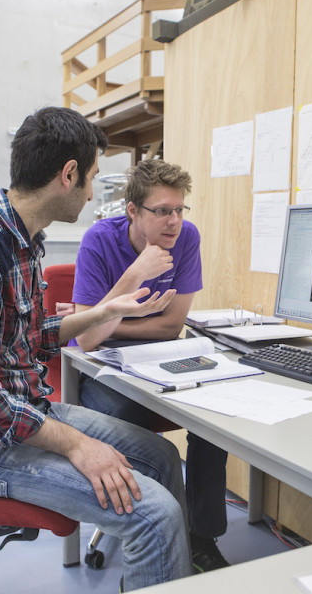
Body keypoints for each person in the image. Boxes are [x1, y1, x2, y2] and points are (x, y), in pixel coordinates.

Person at [0, 106, 192, 591]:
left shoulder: (23, 241)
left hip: (21, 412)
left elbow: (30, 336)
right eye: (90, 180)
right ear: (68, 175)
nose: (91, 193)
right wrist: (79, 446)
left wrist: (106, 312)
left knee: (162, 458)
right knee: (153, 515)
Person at [72, 158, 231, 573]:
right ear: (133, 212)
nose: (174, 221)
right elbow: (87, 340)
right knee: (123, 412)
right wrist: (135, 275)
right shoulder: (98, 241)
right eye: (162, 211)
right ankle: (149, 527)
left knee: (213, 418)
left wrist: (112, 321)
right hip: (100, 369)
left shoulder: (187, 237)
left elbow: (172, 326)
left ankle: (201, 536)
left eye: (179, 209)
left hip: (158, 361)